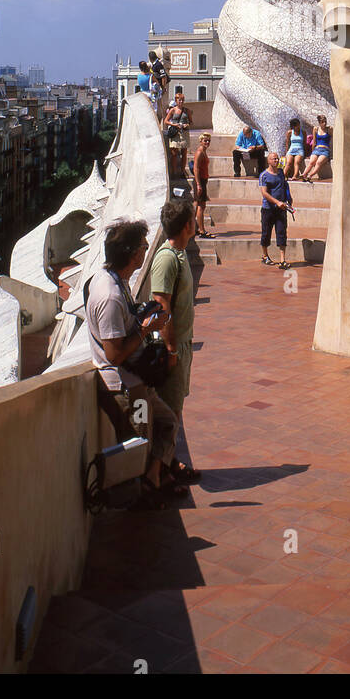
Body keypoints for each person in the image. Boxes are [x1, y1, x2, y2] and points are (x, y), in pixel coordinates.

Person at [84, 219, 183, 506]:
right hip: (123, 388)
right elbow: (113, 354)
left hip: (136, 382)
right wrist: (145, 330)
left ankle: (153, 478)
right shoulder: (110, 296)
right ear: (131, 253)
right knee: (138, 443)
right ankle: (138, 503)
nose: (145, 250)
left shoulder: (117, 282)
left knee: (167, 424)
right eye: (142, 246)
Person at [150, 199, 202, 485]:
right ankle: (158, 476)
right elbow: (161, 308)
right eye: (193, 220)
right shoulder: (167, 258)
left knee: (176, 409)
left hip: (182, 344)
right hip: (172, 348)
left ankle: (169, 464)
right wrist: (170, 350)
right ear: (186, 226)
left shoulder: (179, 254)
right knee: (169, 412)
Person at [259, 151, 292, 269]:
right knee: (266, 233)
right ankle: (265, 255)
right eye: (274, 159)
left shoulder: (281, 173)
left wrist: (288, 199)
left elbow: (285, 186)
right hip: (268, 209)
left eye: (277, 159)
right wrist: (277, 202)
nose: (276, 161)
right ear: (268, 161)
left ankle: (283, 260)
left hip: (281, 209)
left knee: (282, 233)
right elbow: (264, 193)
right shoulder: (264, 175)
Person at [163, 89, 191, 176]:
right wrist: (174, 125)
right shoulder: (173, 110)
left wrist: (187, 125)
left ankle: (182, 172)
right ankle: (174, 172)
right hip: (175, 133)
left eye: (182, 100)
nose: (181, 102)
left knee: (184, 153)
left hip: (184, 133)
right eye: (179, 100)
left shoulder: (187, 110)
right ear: (176, 101)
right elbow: (166, 121)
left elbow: (191, 121)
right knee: (174, 154)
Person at [192, 133, 212, 237]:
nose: (207, 142)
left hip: (203, 180)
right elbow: (196, 168)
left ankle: (194, 228)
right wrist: (199, 184)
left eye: (208, 141)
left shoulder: (204, 151)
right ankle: (202, 230)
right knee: (201, 206)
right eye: (205, 141)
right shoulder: (199, 152)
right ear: (201, 141)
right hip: (200, 181)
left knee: (198, 205)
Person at [301, 113, 332, 182]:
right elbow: (314, 142)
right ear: (319, 123)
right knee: (311, 162)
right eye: (322, 122)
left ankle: (310, 175)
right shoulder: (316, 129)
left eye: (325, 122)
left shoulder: (329, 129)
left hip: (325, 150)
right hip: (317, 149)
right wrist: (311, 153)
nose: (324, 123)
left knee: (318, 162)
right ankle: (304, 174)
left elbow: (333, 140)